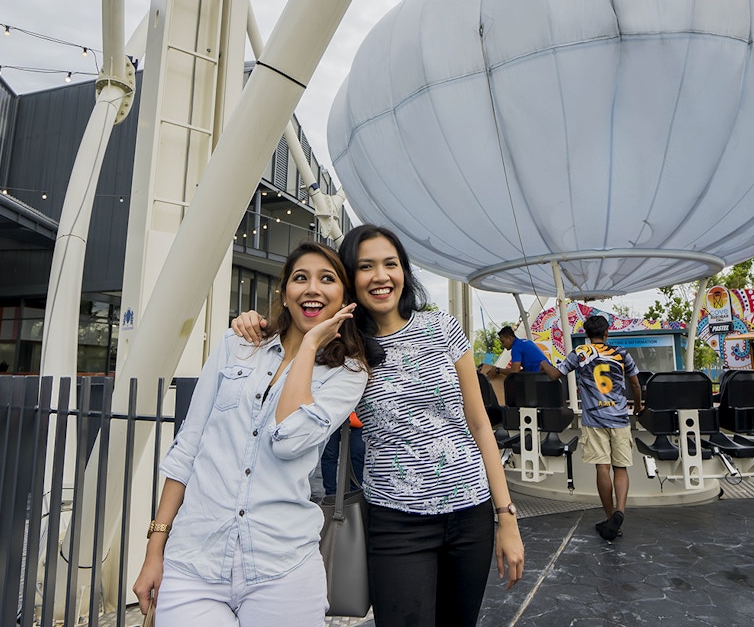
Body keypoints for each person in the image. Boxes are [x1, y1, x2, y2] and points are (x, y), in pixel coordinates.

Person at [233, 224, 525, 627]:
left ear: (404, 271)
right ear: (351, 278)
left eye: (391, 264)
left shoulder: (442, 327)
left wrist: (505, 516)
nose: (381, 276)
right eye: (366, 267)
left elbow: (477, 424)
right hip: (396, 521)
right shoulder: (343, 348)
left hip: (470, 514)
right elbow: (289, 358)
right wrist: (253, 322)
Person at [131, 242, 369, 626]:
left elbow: (287, 437)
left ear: (344, 297)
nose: (312, 288)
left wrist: (308, 346)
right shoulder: (236, 344)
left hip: (282, 566)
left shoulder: (348, 373)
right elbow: (188, 446)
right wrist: (154, 549)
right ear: (284, 292)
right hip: (195, 560)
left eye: (327, 279)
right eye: (300, 278)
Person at [538, 315, 641, 541]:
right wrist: (639, 405)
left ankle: (610, 516)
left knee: (602, 469)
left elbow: (556, 374)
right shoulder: (622, 354)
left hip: (594, 420)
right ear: (606, 333)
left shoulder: (580, 353)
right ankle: (620, 512)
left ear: (587, 334)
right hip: (619, 419)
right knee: (621, 468)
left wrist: (544, 363)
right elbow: (634, 383)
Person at [320, 411, 365, 496]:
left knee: (357, 454)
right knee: (329, 455)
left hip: (355, 414)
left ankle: (355, 494)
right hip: (332, 414)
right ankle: (331, 495)